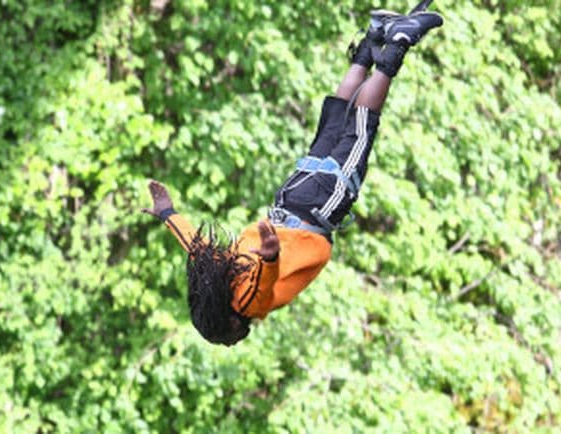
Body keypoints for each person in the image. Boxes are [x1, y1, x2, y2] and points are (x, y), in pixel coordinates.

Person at [143, 9, 444, 346]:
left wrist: (271, 256)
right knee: (334, 123)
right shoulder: (221, 271)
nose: (236, 339)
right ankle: (374, 37)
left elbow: (263, 282)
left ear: (226, 321)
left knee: (361, 126)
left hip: (317, 208)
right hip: (292, 195)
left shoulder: (245, 304)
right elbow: (195, 245)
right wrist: (168, 213)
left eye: (229, 338)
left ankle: (400, 40)